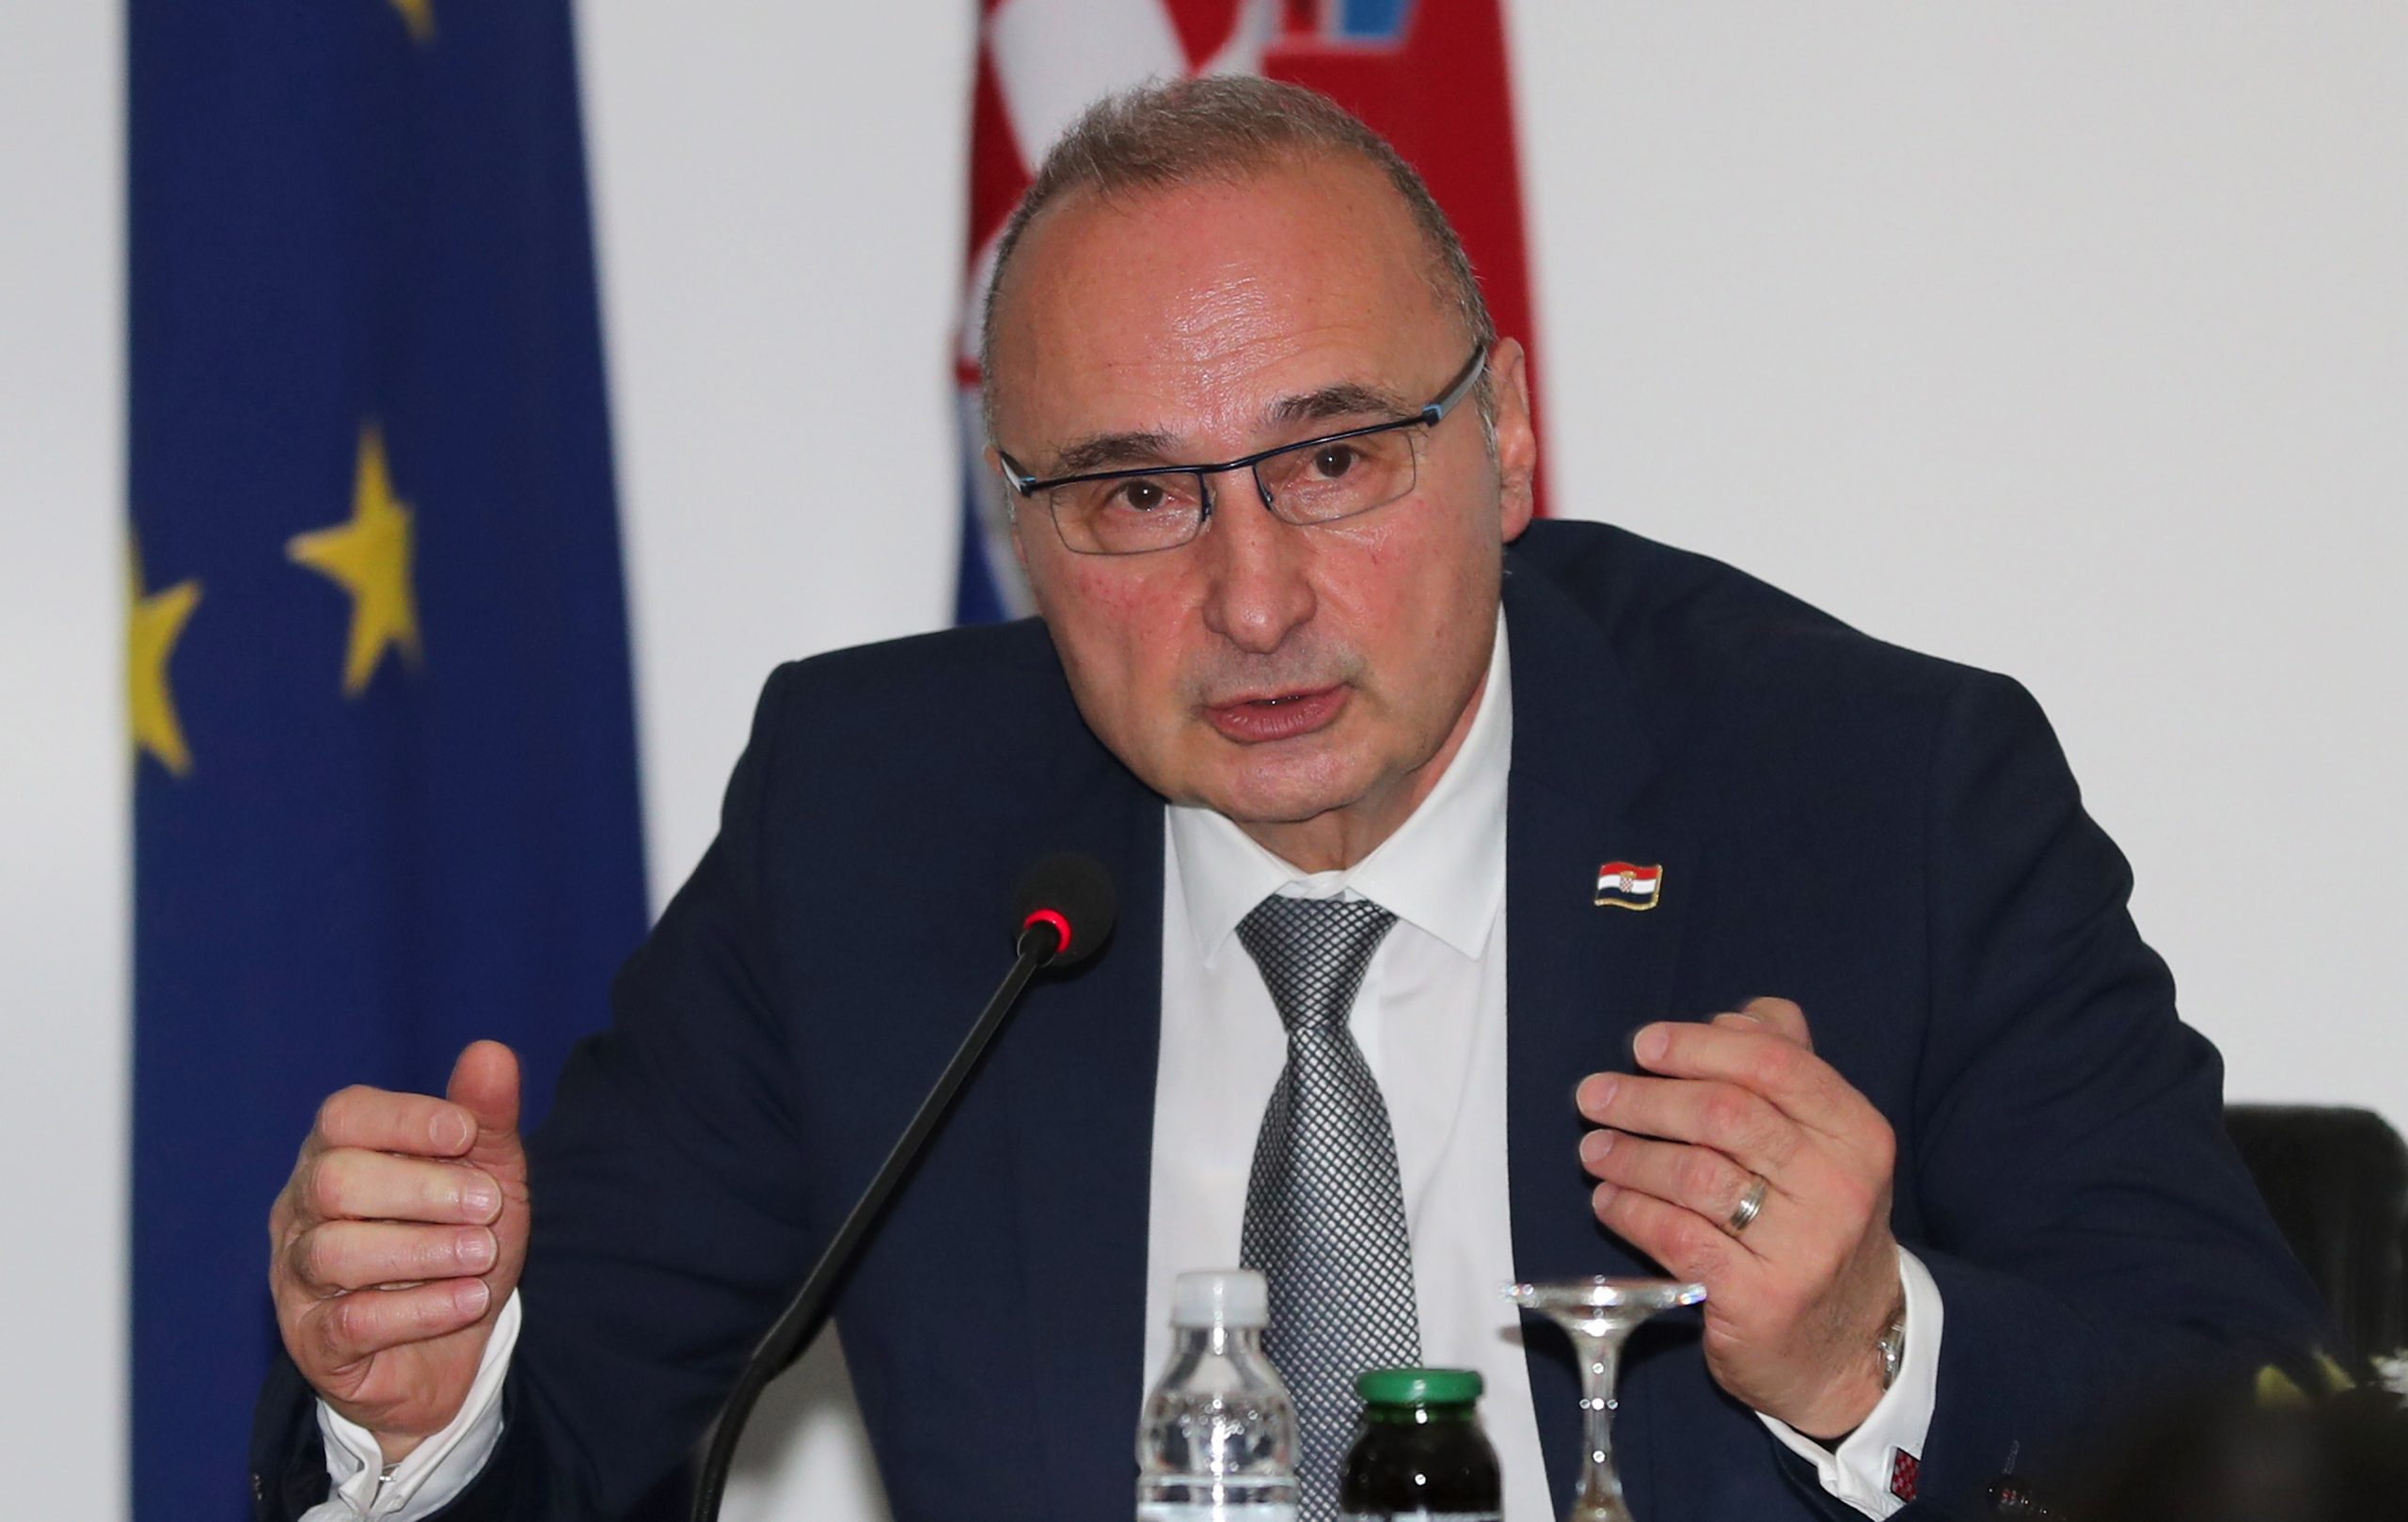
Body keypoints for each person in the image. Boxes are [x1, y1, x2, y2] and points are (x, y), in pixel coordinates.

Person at [252, 78, 2323, 1522]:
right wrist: (420, 1415)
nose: (1248, 597)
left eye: (1333, 460)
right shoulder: (870, 824)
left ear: (1504, 438)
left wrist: (1873, 1349)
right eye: (1137, 494)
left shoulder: (1875, 798)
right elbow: (566, 1419)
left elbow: (2255, 1431)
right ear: (1021, 529)